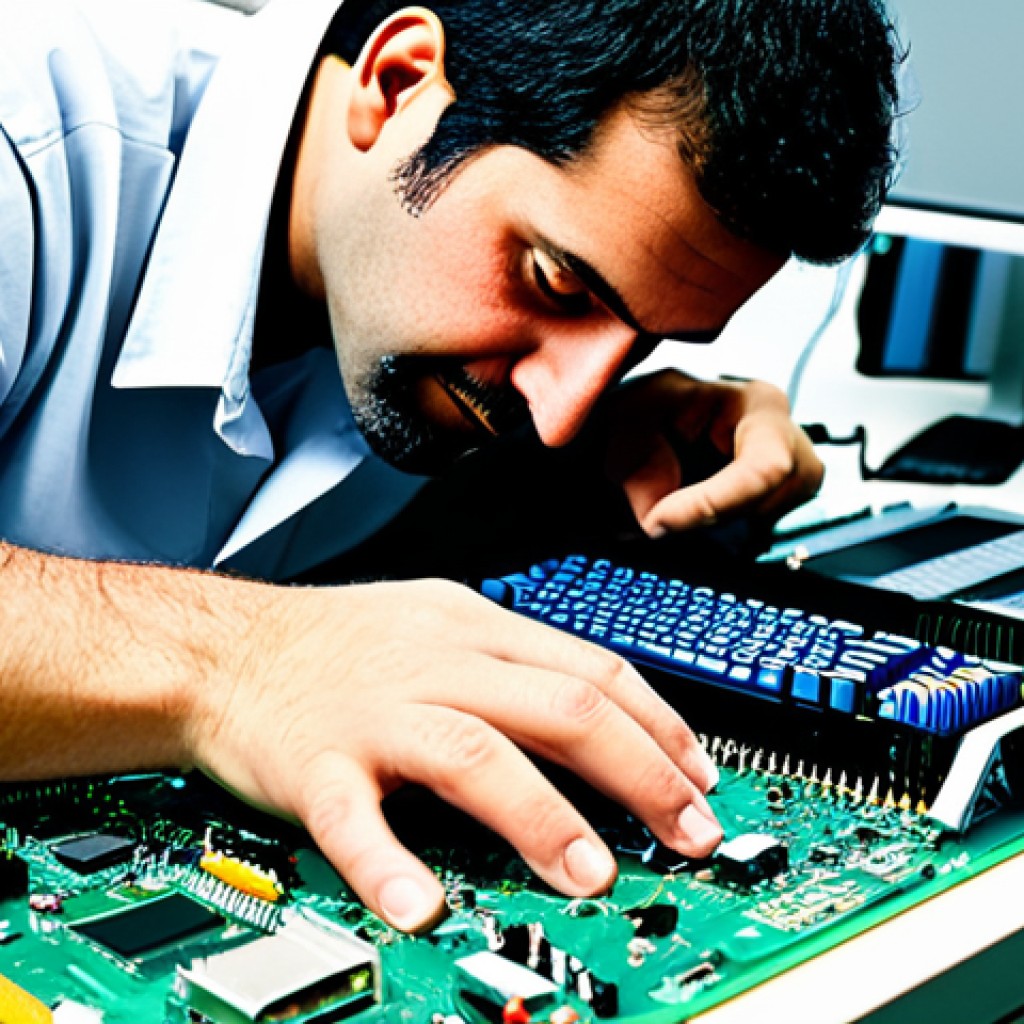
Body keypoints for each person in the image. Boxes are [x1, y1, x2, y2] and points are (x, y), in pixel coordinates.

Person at [0, 0, 899, 932]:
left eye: (637, 345)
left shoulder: (426, 298)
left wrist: (622, 451)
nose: (557, 414)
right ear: (397, 87)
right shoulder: (22, 134)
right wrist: (242, 659)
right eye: (557, 281)